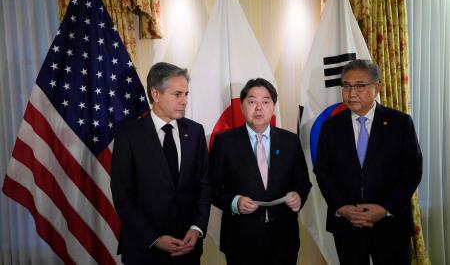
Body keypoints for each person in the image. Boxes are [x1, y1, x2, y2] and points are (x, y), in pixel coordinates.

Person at [314, 59, 422, 265]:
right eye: (346, 86)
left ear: (377, 88)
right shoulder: (331, 127)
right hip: (348, 223)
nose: (351, 93)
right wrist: (341, 207)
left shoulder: (400, 123)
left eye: (360, 86)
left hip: (390, 223)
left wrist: (385, 209)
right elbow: (322, 171)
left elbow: (413, 171)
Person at [111, 62, 211, 265]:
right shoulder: (128, 136)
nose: (184, 101)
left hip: (187, 249)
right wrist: (154, 238)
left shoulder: (196, 132)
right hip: (144, 250)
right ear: (156, 94)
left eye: (186, 94)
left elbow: (205, 184)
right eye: (177, 94)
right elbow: (123, 196)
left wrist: (197, 228)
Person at [209, 78, 312, 265]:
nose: (258, 108)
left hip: (283, 238)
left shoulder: (290, 141)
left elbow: (303, 182)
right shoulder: (225, 142)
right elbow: (211, 187)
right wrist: (234, 202)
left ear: (273, 107)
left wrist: (299, 196)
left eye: (265, 102)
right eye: (252, 102)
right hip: (240, 239)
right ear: (242, 106)